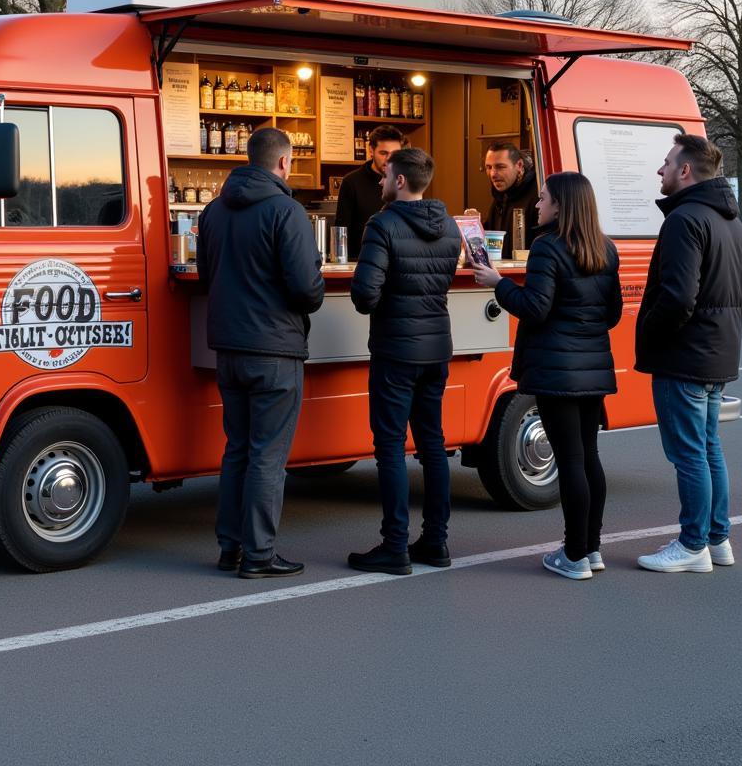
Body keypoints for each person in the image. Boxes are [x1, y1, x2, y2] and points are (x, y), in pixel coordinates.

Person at [473, 172, 622, 580]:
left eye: (543, 199)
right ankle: (591, 548)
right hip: (593, 368)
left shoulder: (547, 248)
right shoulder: (605, 249)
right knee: (588, 457)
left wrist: (498, 283)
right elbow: (611, 314)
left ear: (560, 205)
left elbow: (535, 307)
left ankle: (574, 555)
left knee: (571, 460)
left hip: (556, 371)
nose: (536, 205)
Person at [196, 127, 325, 579]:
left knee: (238, 450)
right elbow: (307, 291)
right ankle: (259, 555)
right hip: (274, 348)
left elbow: (206, 277)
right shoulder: (286, 211)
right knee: (268, 454)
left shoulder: (212, 211)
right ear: (285, 163)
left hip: (228, 348)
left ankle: (230, 547)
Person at [634, 134, 742, 573]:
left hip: (685, 356)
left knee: (689, 454)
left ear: (685, 171)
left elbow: (679, 297)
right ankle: (717, 539)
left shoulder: (685, 220)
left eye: (666, 163)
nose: (659, 171)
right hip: (716, 354)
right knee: (707, 449)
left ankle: (692, 544)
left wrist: (651, 331)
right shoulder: (733, 222)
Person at [347, 147, 461, 575]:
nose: (379, 181)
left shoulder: (383, 225)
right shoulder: (450, 225)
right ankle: (436, 541)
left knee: (390, 446)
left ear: (399, 181)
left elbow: (364, 295)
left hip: (396, 349)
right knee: (433, 444)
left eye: (385, 175)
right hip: (436, 348)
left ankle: (394, 544)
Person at [335, 124, 404, 259]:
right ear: (371, 150)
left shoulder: (405, 181)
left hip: (398, 262)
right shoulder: (351, 182)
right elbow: (342, 231)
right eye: (383, 153)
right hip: (361, 261)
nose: (389, 160)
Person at [484, 142, 539, 257]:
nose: (493, 174)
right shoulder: (500, 197)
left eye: (500, 167)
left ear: (519, 165)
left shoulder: (538, 195)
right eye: (489, 167)